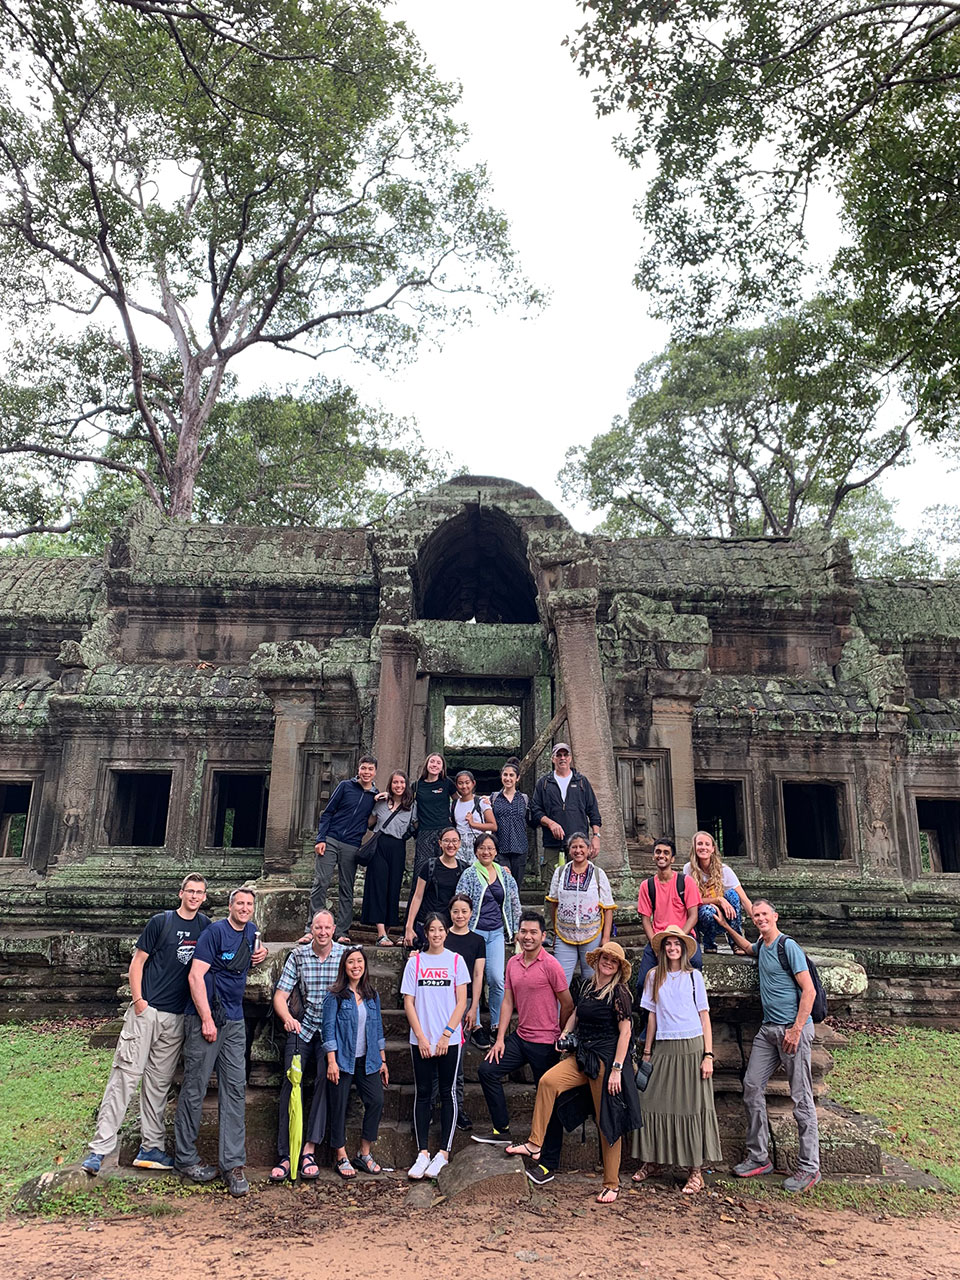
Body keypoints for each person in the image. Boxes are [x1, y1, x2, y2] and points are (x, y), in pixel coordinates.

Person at [82, 874, 211, 1175]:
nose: (194, 896)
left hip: (176, 1017)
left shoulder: (205, 927)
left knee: (158, 1084)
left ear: (205, 897)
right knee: (124, 1077)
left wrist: (257, 952)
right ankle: (99, 1150)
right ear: (181, 893)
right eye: (190, 891)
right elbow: (138, 962)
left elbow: (226, 947)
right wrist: (139, 1001)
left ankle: (151, 1148)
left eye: (200, 893)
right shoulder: (161, 922)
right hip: (147, 1011)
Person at [505, 940, 641, 1204]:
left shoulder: (619, 993)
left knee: (607, 1121)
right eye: (605, 958)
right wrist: (565, 1033)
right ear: (599, 959)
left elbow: (626, 1032)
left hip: (607, 1060)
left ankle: (611, 1183)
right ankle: (535, 1144)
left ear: (618, 967)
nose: (608, 963)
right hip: (582, 1056)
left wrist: (616, 1069)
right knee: (548, 1081)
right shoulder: (589, 985)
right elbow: (576, 1014)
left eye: (613, 961)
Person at [714, 900, 822, 1192]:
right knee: (751, 1086)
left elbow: (809, 990)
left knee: (801, 1098)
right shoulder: (762, 946)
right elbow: (749, 948)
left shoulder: (789, 947)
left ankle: (809, 1167)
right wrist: (725, 927)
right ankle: (759, 1156)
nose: (760, 918)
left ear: (775, 917)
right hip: (768, 1031)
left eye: (764, 914)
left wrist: (797, 1029)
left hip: (792, 1030)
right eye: (756, 915)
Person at [174, 886, 268, 1196]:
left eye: (248, 904)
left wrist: (263, 952)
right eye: (239, 903)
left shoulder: (251, 931)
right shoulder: (214, 933)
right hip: (206, 1017)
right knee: (195, 1087)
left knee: (235, 1089)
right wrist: (206, 1020)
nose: (244, 908)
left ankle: (233, 1164)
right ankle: (185, 1159)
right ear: (230, 906)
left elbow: (253, 953)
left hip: (235, 1020)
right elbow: (195, 976)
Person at [474, 910, 573, 1185]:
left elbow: (567, 1003)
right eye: (523, 932)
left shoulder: (551, 965)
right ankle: (502, 1128)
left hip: (546, 1042)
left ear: (543, 936)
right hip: (520, 1037)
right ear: (517, 934)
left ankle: (548, 1163)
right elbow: (507, 1001)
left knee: (551, 1102)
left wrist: (562, 1036)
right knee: (487, 1070)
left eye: (533, 933)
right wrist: (501, 1038)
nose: (527, 937)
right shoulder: (513, 963)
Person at [633, 925, 722, 1194]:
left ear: (683, 949)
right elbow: (651, 1015)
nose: (672, 948)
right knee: (650, 1102)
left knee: (692, 1108)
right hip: (664, 1045)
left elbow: (704, 1016)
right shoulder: (652, 977)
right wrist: (647, 1051)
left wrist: (708, 1054)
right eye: (668, 944)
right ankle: (654, 1160)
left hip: (692, 1045)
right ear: (662, 949)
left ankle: (695, 1171)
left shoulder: (694, 978)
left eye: (677, 944)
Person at [270, 909, 344, 1183]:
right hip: (302, 1027)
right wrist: (287, 1018)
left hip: (330, 1031)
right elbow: (281, 995)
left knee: (327, 1078)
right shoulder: (298, 956)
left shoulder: (342, 956)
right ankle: (286, 1153)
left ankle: (309, 1149)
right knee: (292, 1081)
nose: (322, 932)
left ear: (334, 929)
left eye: (327, 928)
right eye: (317, 927)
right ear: (310, 929)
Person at [400, 913, 468, 1180]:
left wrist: (445, 1035)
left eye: (441, 929)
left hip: (448, 1040)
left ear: (446, 933)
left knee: (447, 1091)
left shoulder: (456, 961)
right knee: (423, 1092)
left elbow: (461, 1001)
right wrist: (421, 1036)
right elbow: (409, 1001)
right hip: (422, 1040)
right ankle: (423, 1152)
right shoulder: (415, 962)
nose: (437, 934)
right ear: (425, 933)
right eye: (432, 930)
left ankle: (443, 1153)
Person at [322, 946, 389, 1178]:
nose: (356, 966)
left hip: (368, 1059)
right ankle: (340, 1155)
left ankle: (364, 1152)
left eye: (359, 961)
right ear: (344, 966)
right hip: (342, 1060)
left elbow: (378, 1027)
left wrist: (383, 1060)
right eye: (351, 962)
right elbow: (328, 1029)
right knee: (339, 1105)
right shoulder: (335, 995)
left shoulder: (372, 995)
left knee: (376, 1101)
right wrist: (331, 1061)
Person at [455, 832, 521, 1048]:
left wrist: (517, 929)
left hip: (496, 932)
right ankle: (472, 1025)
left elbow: (514, 901)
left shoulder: (504, 874)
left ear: (496, 851)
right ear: (476, 851)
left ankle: (495, 1024)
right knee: (472, 978)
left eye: (490, 848)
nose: (486, 852)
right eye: (482, 848)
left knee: (496, 978)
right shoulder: (469, 874)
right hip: (474, 933)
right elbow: (460, 900)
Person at [310, 755, 378, 942]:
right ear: (358, 769)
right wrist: (321, 838)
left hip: (352, 844)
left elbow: (373, 822)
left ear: (375, 772)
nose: (366, 772)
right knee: (321, 881)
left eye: (370, 769)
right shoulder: (345, 786)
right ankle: (312, 927)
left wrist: (381, 800)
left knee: (347, 888)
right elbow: (328, 812)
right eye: (363, 768)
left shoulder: (375, 795)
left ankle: (341, 931)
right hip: (331, 838)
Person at [634, 837, 703, 1009]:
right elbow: (645, 919)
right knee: (642, 982)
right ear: (653, 856)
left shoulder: (685, 882)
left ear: (672, 859)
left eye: (666, 853)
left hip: (684, 936)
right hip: (658, 938)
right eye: (658, 852)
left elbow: (693, 915)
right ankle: (648, 1023)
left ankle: (692, 1013)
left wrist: (679, 939)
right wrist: (656, 945)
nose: (661, 856)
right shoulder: (647, 885)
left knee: (695, 968)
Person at [547, 831, 616, 987]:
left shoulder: (598, 874)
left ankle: (584, 1012)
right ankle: (560, 1012)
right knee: (560, 983)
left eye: (581, 847)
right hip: (564, 936)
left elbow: (608, 908)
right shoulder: (560, 872)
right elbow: (554, 903)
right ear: (569, 850)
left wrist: (605, 938)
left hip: (592, 936)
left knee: (591, 982)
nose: (578, 850)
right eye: (574, 847)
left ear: (589, 849)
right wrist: (556, 931)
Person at [444, 892, 487, 1130]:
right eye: (455, 911)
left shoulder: (477, 940)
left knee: (457, 1062)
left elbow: (478, 975)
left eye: (464, 911)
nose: (460, 915)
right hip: (439, 1002)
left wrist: (474, 1007)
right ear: (449, 913)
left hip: (465, 1002)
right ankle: (431, 1109)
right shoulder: (442, 935)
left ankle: (457, 1109)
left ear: (471, 913)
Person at [361, 770, 416, 946]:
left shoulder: (412, 806)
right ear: (390, 785)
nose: (398, 786)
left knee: (393, 888)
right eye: (395, 783)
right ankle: (381, 933)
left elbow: (416, 825)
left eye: (402, 783)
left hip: (398, 847)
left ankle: (389, 931)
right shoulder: (381, 802)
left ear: (406, 785)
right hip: (380, 845)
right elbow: (369, 822)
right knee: (378, 886)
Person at [529, 742, 601, 866]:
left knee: (580, 883)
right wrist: (550, 823)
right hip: (553, 844)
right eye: (559, 755)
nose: (562, 758)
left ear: (570, 758)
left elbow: (593, 810)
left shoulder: (581, 782)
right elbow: (535, 810)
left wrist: (596, 836)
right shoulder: (544, 783)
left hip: (578, 845)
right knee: (553, 883)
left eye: (565, 755)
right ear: (553, 759)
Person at [683, 830, 753, 953]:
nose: (703, 847)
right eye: (700, 844)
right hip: (702, 916)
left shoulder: (724, 870)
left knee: (732, 895)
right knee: (708, 911)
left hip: (726, 916)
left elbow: (744, 900)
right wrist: (718, 900)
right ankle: (709, 943)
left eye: (707, 844)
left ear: (713, 848)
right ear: (694, 847)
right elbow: (692, 901)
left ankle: (735, 941)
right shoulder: (688, 869)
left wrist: (762, 925)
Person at [403, 827, 464, 946]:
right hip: (427, 923)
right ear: (440, 843)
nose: (451, 845)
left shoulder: (464, 869)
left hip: (449, 925)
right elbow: (417, 896)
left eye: (454, 841)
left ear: (459, 843)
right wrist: (409, 927)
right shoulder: (430, 865)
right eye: (446, 841)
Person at [411, 753, 457, 880]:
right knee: (421, 870)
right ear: (427, 764)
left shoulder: (447, 783)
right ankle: (418, 899)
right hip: (424, 831)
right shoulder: (417, 785)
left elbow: (459, 801)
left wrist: (483, 800)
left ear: (442, 768)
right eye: (432, 762)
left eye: (438, 763)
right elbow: (404, 802)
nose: (434, 765)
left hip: (444, 831)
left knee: (444, 869)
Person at [485, 759, 530, 884]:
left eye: (511, 775)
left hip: (520, 848)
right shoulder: (494, 798)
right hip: (500, 848)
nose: (508, 778)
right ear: (501, 776)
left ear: (517, 778)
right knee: (502, 884)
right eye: (505, 775)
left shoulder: (524, 799)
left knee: (516, 885)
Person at [451, 770, 496, 862]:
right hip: (460, 846)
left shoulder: (481, 802)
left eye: (467, 783)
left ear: (473, 783)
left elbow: (493, 826)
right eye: (460, 783)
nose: (464, 786)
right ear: (456, 785)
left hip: (477, 843)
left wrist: (473, 824)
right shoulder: (453, 805)